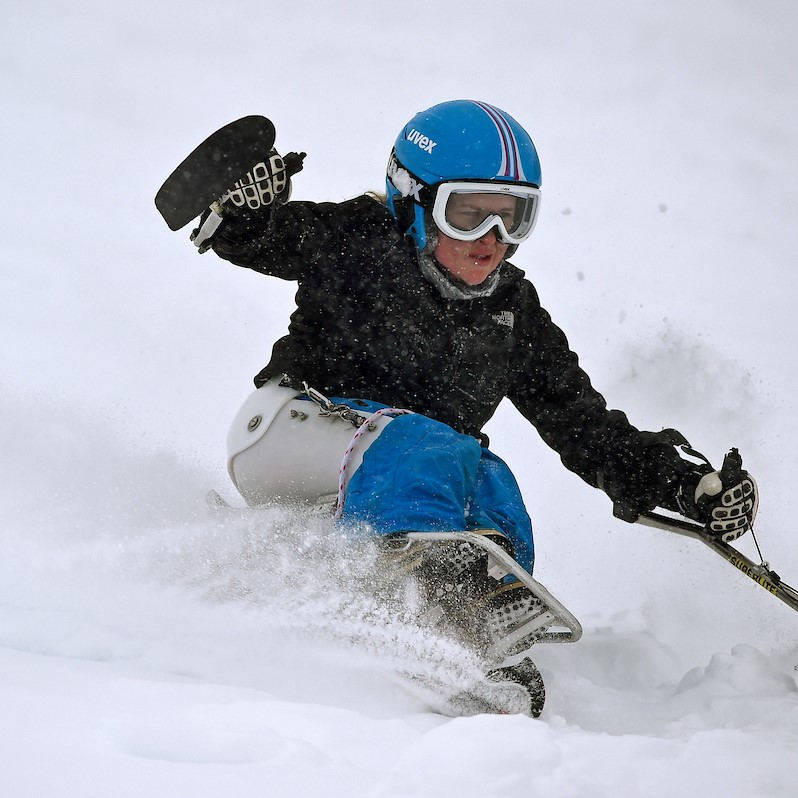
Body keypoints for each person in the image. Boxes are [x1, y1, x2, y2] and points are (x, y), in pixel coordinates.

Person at [191, 99, 757, 641]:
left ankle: (477, 622)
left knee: (491, 481)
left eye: (512, 218)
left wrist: (683, 483)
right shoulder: (361, 238)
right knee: (430, 447)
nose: (492, 240)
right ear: (413, 202)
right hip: (290, 429)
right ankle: (416, 592)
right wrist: (243, 212)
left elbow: (584, 426)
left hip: (400, 471)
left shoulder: (511, 311)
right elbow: (272, 240)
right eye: (467, 215)